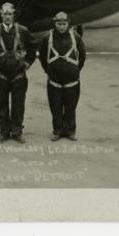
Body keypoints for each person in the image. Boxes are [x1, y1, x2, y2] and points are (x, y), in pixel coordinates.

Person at [0, 3, 34, 143]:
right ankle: (4, 132)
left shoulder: (23, 31)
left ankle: (17, 132)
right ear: (1, 14)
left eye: (10, 14)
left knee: (18, 104)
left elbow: (33, 47)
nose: (8, 17)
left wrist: (27, 63)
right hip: (1, 75)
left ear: (13, 15)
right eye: (5, 14)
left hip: (19, 75)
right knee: (1, 104)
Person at [39, 11, 87, 141]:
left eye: (64, 24)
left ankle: (70, 131)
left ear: (68, 24)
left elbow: (82, 56)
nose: (61, 26)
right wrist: (48, 71)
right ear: (55, 24)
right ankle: (58, 131)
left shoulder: (76, 37)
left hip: (72, 81)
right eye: (59, 24)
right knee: (55, 107)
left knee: (71, 106)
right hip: (54, 80)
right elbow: (43, 57)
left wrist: (75, 70)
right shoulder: (47, 38)